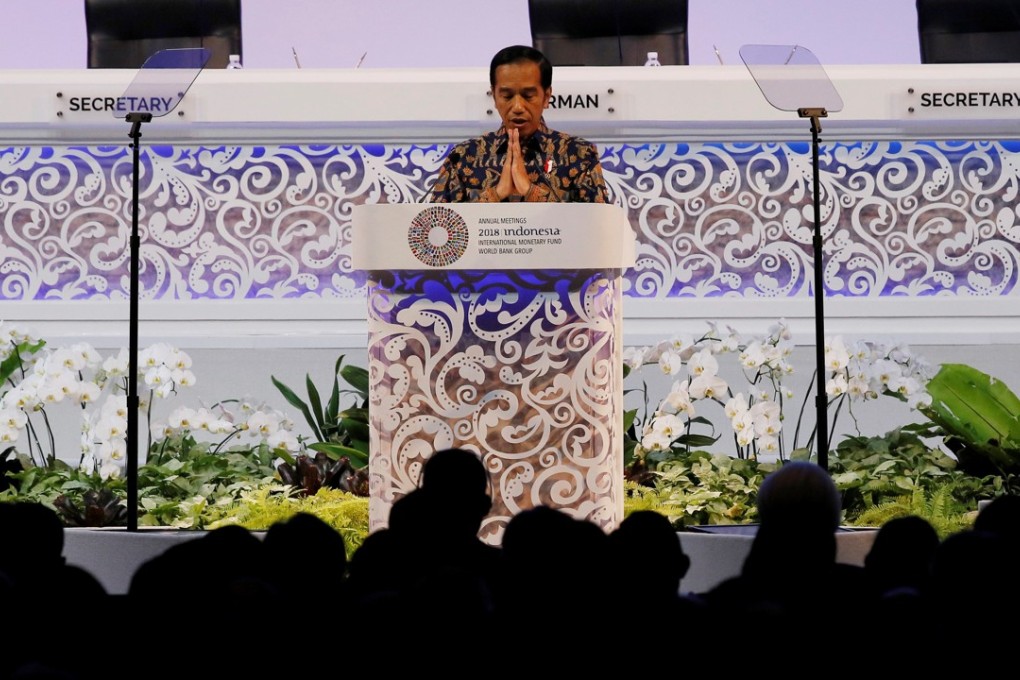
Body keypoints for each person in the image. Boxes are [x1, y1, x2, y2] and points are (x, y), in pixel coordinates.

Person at [429, 44, 608, 204]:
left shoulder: (580, 155)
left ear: (546, 96)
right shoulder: (463, 157)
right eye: (507, 96)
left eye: (528, 96)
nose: (517, 107)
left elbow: (598, 226)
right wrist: (496, 194)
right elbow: (435, 225)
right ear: (494, 96)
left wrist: (530, 191)